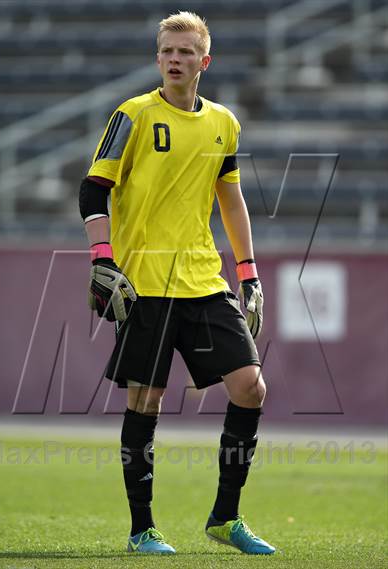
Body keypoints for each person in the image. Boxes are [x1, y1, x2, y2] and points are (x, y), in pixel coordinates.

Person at [79, 11, 275, 556]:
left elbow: (230, 198)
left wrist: (248, 271)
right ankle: (142, 528)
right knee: (147, 401)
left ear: (204, 62)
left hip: (201, 279)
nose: (174, 58)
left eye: (186, 51)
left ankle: (225, 519)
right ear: (157, 57)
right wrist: (102, 257)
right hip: (143, 283)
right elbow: (93, 190)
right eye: (167, 50)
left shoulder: (224, 124)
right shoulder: (132, 115)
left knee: (250, 387)